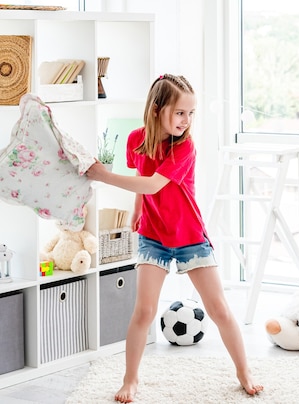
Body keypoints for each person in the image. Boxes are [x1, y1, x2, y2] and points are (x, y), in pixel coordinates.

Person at [86, 74, 263, 403]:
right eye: (180, 112)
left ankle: (244, 372)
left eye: (191, 113)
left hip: (190, 238)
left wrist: (103, 175)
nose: (186, 120)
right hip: (153, 237)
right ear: (156, 109)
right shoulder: (136, 139)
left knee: (219, 310)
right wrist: (139, 210)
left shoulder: (184, 147)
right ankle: (131, 379)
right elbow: (142, 177)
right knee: (144, 311)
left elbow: (154, 184)